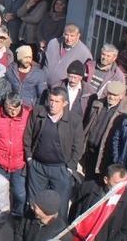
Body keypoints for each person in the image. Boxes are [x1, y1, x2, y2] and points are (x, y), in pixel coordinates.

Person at [24, 87, 84, 220]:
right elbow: (28, 135)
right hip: (38, 167)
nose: (52, 104)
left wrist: (70, 167)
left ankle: (57, 235)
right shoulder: (38, 113)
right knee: (34, 203)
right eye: (51, 100)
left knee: (60, 206)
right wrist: (29, 158)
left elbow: (79, 146)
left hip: (60, 169)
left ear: (65, 103)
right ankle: (31, 228)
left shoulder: (74, 120)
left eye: (57, 101)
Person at [72, 164, 127, 241]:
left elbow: (126, 231)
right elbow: (75, 209)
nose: (121, 187)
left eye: (124, 183)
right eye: (117, 183)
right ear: (106, 180)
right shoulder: (89, 188)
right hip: (79, 238)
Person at [83, 81, 127, 177]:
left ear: (121, 96)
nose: (111, 97)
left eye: (115, 95)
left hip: (105, 155)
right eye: (110, 93)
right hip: (89, 151)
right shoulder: (97, 104)